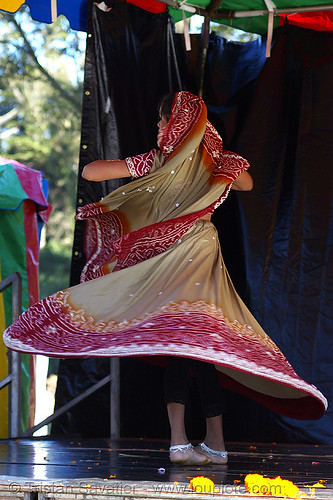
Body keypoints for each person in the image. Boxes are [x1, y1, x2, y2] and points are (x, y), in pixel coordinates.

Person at [4, 92, 327, 466]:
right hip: (195, 258)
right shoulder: (191, 163)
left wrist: (195, 156)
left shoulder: (166, 162)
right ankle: (213, 443)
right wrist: (211, 157)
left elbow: (92, 171)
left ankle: (182, 442)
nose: (158, 127)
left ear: (182, 125)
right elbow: (246, 183)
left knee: (184, 345)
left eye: (164, 120)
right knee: (197, 347)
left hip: (185, 261)